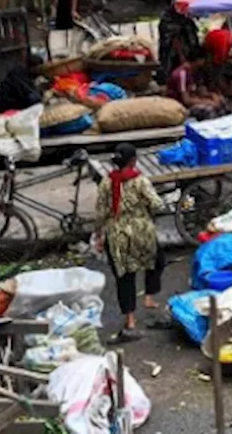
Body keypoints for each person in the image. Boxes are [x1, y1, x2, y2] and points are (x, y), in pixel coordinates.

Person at [95, 143, 165, 343]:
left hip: (116, 236)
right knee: (156, 262)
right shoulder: (140, 181)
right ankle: (149, 297)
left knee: (124, 278)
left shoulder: (106, 183)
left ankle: (131, 321)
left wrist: (99, 235)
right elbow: (156, 204)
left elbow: (100, 213)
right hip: (141, 232)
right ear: (133, 161)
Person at [166, 49, 225, 119]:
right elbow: (186, 100)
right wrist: (207, 102)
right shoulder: (182, 74)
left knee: (222, 103)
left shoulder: (194, 73)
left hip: (194, 100)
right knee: (210, 110)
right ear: (199, 60)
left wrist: (211, 95)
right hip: (181, 106)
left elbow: (199, 91)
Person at [158, 0, 200, 82]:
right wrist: (182, 57)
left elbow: (193, 38)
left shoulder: (186, 20)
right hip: (174, 57)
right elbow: (173, 42)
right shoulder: (168, 21)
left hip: (188, 54)